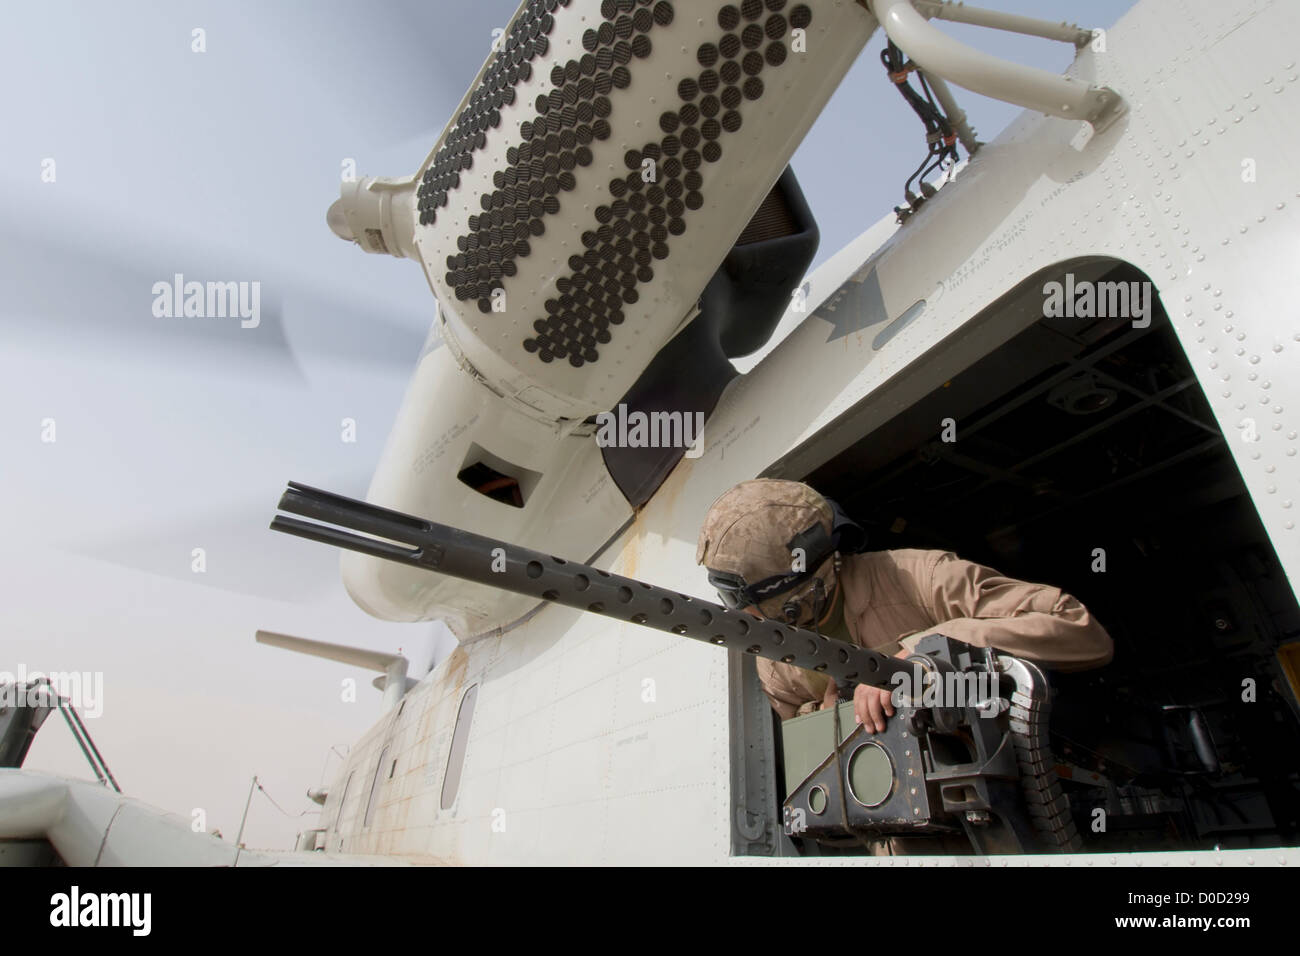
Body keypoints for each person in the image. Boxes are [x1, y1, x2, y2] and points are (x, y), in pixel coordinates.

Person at [696, 478, 1114, 730]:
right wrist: (829, 713)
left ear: (801, 586)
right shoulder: (775, 656)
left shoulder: (921, 577)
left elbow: (1081, 632)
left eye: (746, 599)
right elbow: (800, 748)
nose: (743, 615)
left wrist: (928, 653)